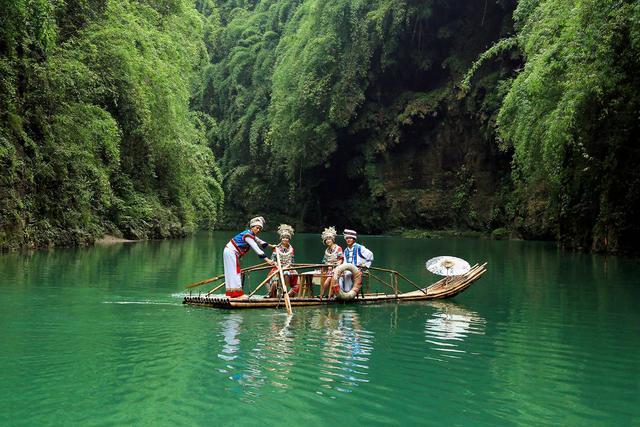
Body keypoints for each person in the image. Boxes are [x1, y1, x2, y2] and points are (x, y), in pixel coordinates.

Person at [223, 216, 275, 298]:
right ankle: (237, 294)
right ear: (252, 227)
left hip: (230, 252)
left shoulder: (251, 234)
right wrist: (267, 260)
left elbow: (260, 242)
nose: (258, 230)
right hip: (231, 252)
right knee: (235, 272)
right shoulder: (248, 236)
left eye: (259, 229)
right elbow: (256, 248)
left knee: (234, 272)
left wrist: (271, 246)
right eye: (257, 228)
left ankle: (233, 294)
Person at [267, 224, 299, 298]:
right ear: (281, 239)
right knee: (271, 277)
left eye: (287, 238)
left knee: (288, 273)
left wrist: (286, 266)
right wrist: (277, 265)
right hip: (277, 267)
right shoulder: (276, 248)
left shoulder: (291, 249)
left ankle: (285, 291)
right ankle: (272, 292)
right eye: (283, 238)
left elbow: (291, 261)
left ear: (289, 239)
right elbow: (272, 260)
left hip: (288, 267)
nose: (285, 239)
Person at [319, 226, 343, 298]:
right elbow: (324, 261)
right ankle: (330, 294)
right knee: (321, 276)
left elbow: (341, 260)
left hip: (337, 269)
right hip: (328, 270)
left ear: (332, 239)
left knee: (328, 279)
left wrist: (335, 266)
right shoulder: (327, 250)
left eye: (329, 239)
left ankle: (322, 295)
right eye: (326, 239)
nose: (328, 241)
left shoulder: (338, 248)